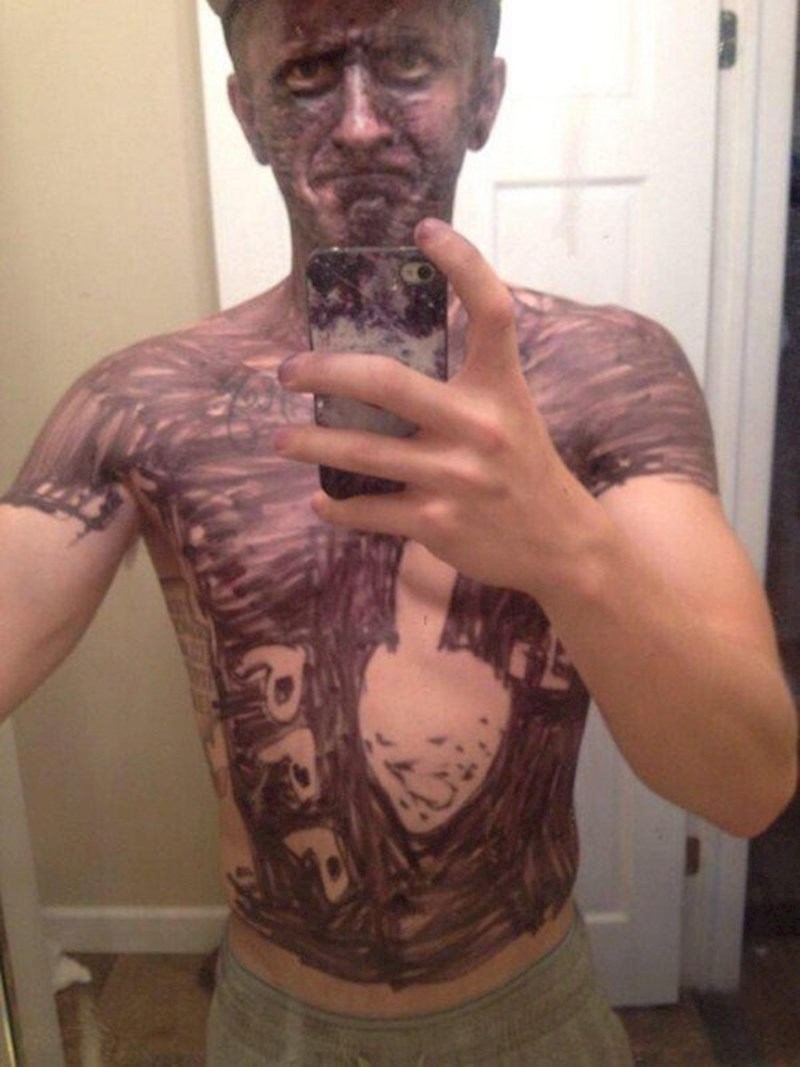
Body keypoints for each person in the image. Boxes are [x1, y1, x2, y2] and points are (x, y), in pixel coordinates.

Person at [0, 0, 796, 1063]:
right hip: (274, 1024)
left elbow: (747, 781)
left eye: (410, 60)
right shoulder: (146, 400)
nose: (362, 121)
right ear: (245, 114)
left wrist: (563, 541)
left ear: (485, 98)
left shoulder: (612, 372)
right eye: (307, 73)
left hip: (532, 1014)